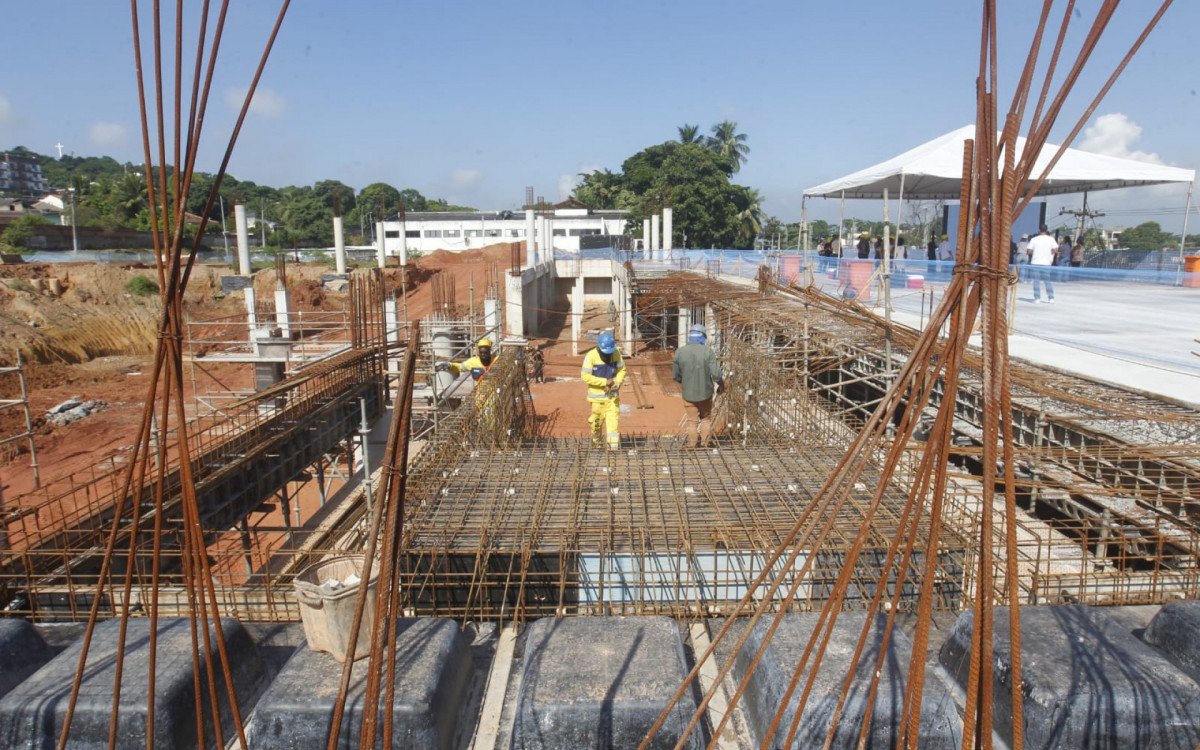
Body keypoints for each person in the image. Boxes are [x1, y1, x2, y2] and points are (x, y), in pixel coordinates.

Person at [672, 324, 724, 448]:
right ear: (702, 337)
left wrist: (685, 382)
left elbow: (676, 375)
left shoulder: (680, 352)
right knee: (706, 419)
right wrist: (721, 385)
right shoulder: (708, 352)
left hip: (688, 394)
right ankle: (705, 443)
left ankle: (692, 444)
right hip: (706, 393)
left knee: (692, 421)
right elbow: (716, 374)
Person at [581, 331, 626, 449]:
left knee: (613, 426)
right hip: (597, 401)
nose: (607, 356)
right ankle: (597, 445)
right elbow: (585, 376)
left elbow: (621, 370)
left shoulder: (616, 353)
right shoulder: (591, 356)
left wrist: (617, 382)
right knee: (596, 424)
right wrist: (605, 382)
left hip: (612, 399)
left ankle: (613, 450)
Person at [1027, 225, 1057, 303]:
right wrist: (1050, 253)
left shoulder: (1034, 239)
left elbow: (1029, 251)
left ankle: (1037, 298)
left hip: (1035, 262)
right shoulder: (1051, 239)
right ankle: (1051, 298)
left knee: (1036, 281)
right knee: (1047, 281)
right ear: (1046, 230)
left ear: (1039, 230)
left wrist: (1033, 251)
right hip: (1046, 263)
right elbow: (1055, 249)